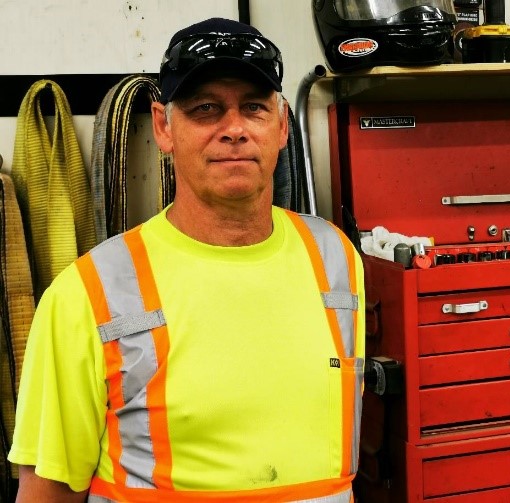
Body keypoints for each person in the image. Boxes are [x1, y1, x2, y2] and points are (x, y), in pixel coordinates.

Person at [9, 17, 365, 503]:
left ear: (282, 126)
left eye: (254, 108)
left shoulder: (336, 258)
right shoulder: (88, 293)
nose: (234, 129)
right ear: (164, 126)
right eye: (206, 109)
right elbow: (46, 491)